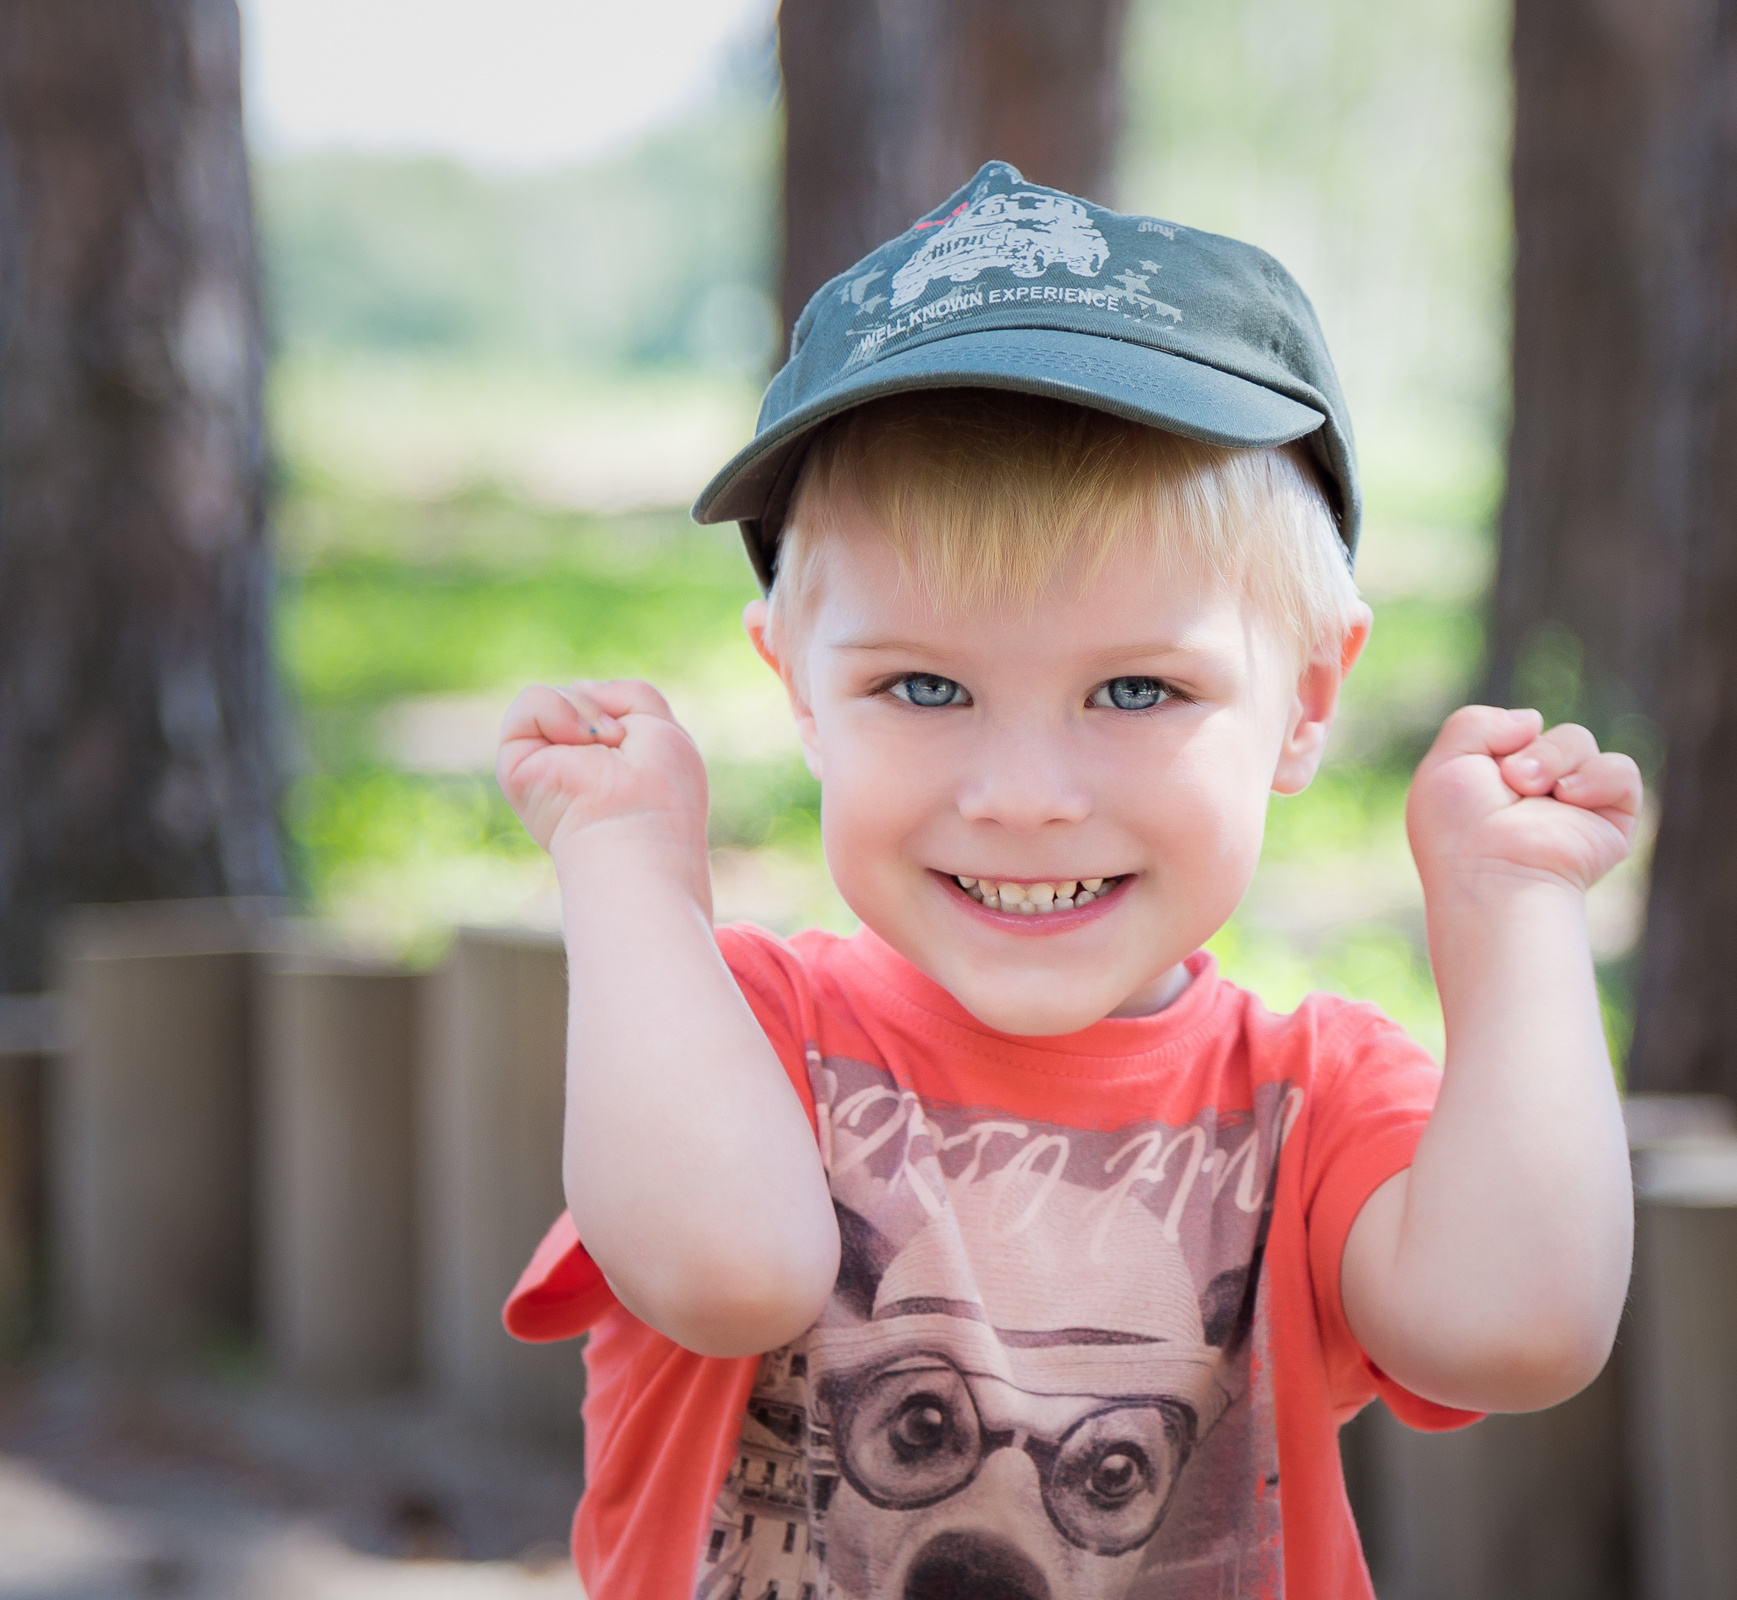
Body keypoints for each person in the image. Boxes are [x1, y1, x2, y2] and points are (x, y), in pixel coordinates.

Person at [495, 161, 1639, 1600]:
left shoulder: (1314, 1103)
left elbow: (1518, 1331)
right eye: (925, 686)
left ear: (1305, 701)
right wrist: (626, 874)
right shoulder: (736, 1037)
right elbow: (727, 1274)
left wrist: (1513, 915)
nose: (1025, 795)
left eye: (1137, 690)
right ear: (797, 690)